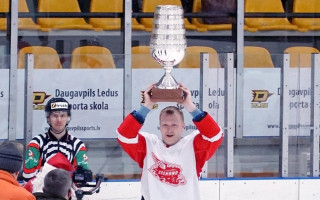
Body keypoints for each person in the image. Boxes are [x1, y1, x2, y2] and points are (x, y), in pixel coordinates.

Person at [117, 83, 223, 200]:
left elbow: (215, 135)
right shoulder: (149, 144)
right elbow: (124, 135)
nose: (169, 129)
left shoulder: (193, 145)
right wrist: (147, 105)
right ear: (160, 126)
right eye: (165, 125)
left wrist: (189, 106)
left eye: (174, 125)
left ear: (183, 126)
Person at [23, 97, 89, 182]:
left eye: (63, 115)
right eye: (55, 116)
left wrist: (44, 170)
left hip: (67, 194)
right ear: (48, 118)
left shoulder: (78, 145)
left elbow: (83, 177)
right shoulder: (36, 143)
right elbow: (28, 175)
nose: (59, 120)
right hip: (41, 194)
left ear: (68, 118)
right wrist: (67, 171)